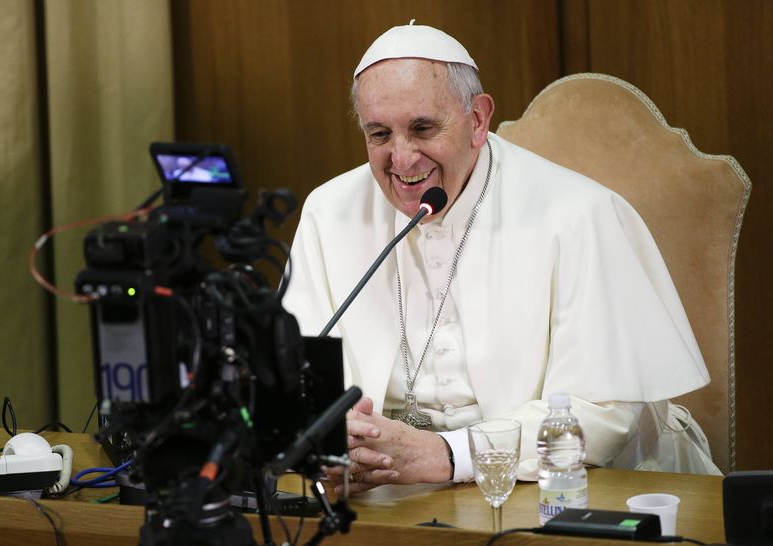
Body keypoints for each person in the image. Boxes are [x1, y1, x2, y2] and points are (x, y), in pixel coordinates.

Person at [282, 22, 720, 494]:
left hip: (562, 485)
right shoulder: (329, 213)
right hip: (388, 489)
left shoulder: (577, 213)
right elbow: (297, 376)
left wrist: (447, 454)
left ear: (477, 119)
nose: (402, 160)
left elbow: (602, 415)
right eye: (379, 134)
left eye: (423, 128)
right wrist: (334, 442)